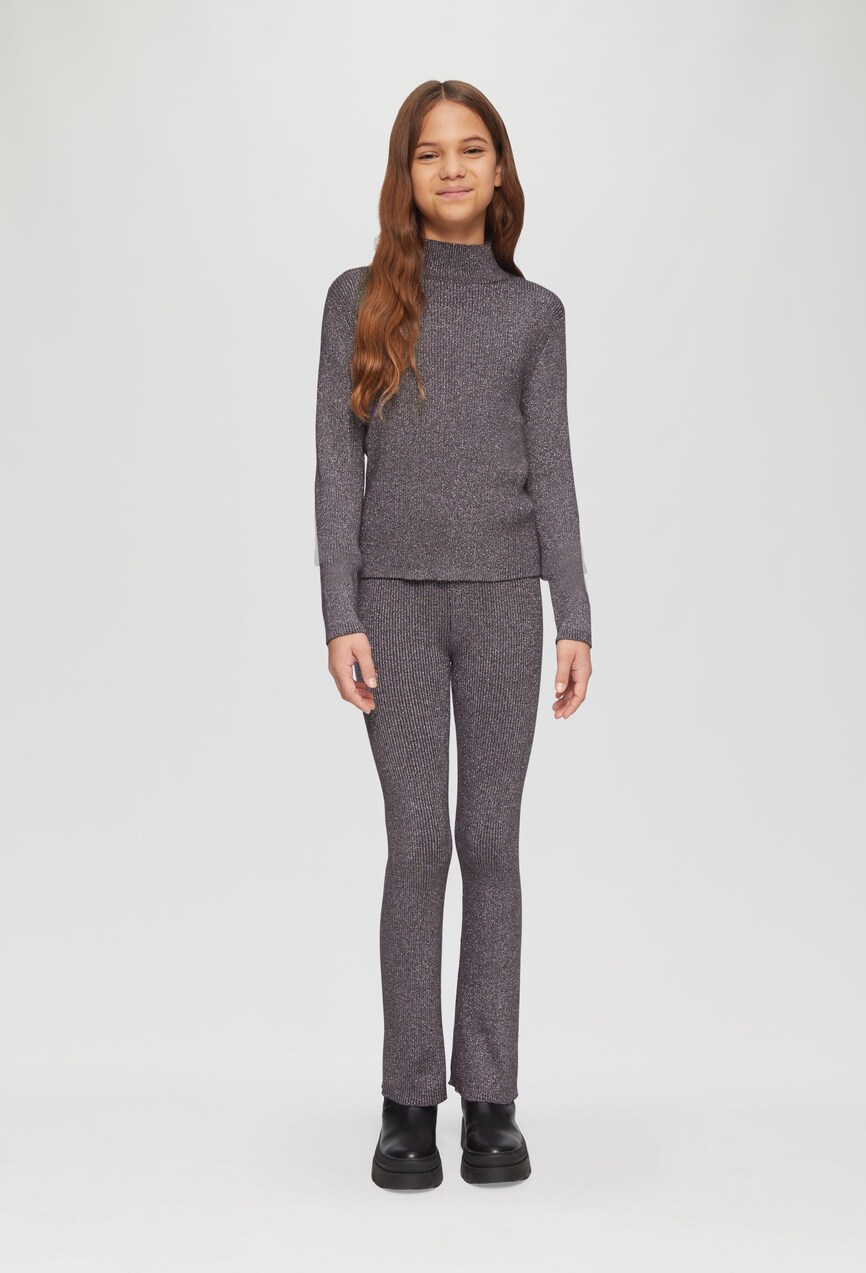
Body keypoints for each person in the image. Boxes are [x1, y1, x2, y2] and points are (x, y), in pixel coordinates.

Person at [313, 80, 592, 1190]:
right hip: (394, 604)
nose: (453, 169)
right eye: (430, 154)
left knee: (490, 839)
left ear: (499, 169)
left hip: (504, 605)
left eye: (472, 150)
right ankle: (406, 1100)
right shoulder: (357, 299)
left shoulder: (535, 315)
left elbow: (555, 469)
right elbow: (336, 468)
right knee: (418, 842)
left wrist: (575, 614)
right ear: (407, 174)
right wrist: (340, 611)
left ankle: (491, 1099)